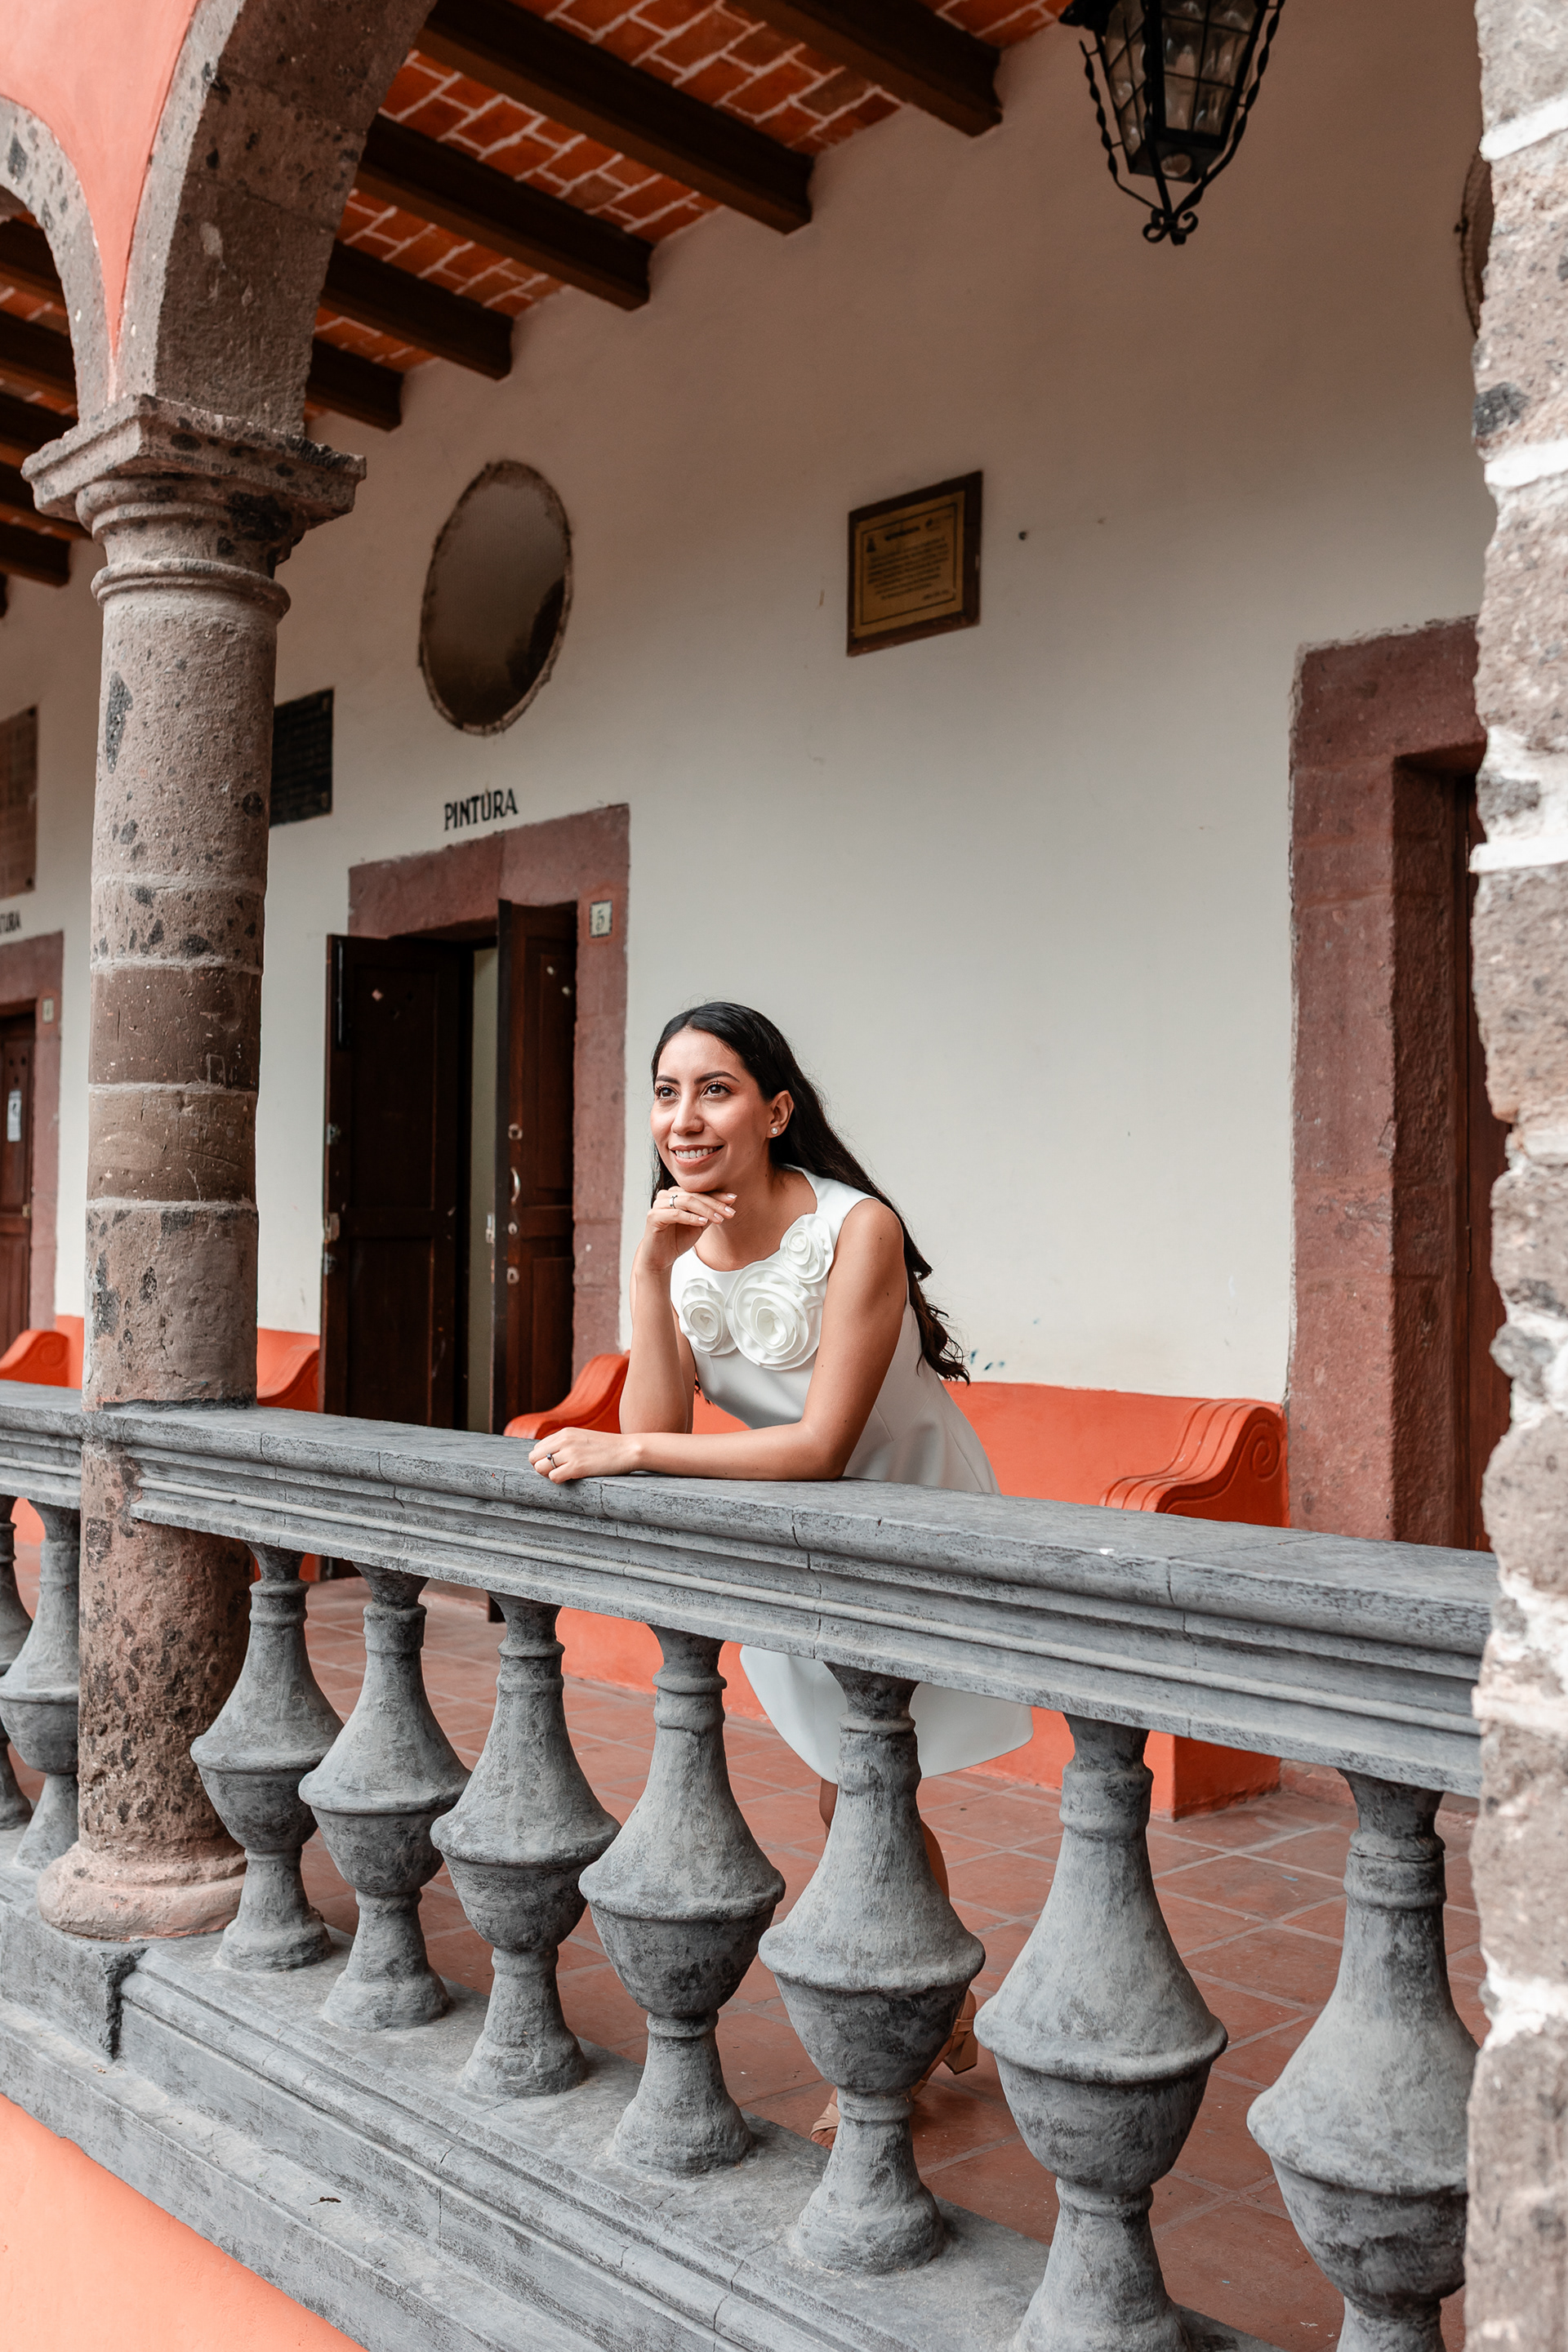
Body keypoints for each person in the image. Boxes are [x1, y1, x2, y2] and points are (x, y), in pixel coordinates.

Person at [529, 1000, 1031, 2140]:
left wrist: (629, 1451)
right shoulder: (677, 1246)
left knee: (867, 1780)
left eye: (715, 1089)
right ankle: (935, 1995)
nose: (684, 1117)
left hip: (904, 1517)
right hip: (787, 1535)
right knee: (851, 1783)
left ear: (775, 1110)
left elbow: (818, 1446)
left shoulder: (858, 1230)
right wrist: (649, 1274)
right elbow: (659, 1424)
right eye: (666, 1093)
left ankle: (903, 2021)